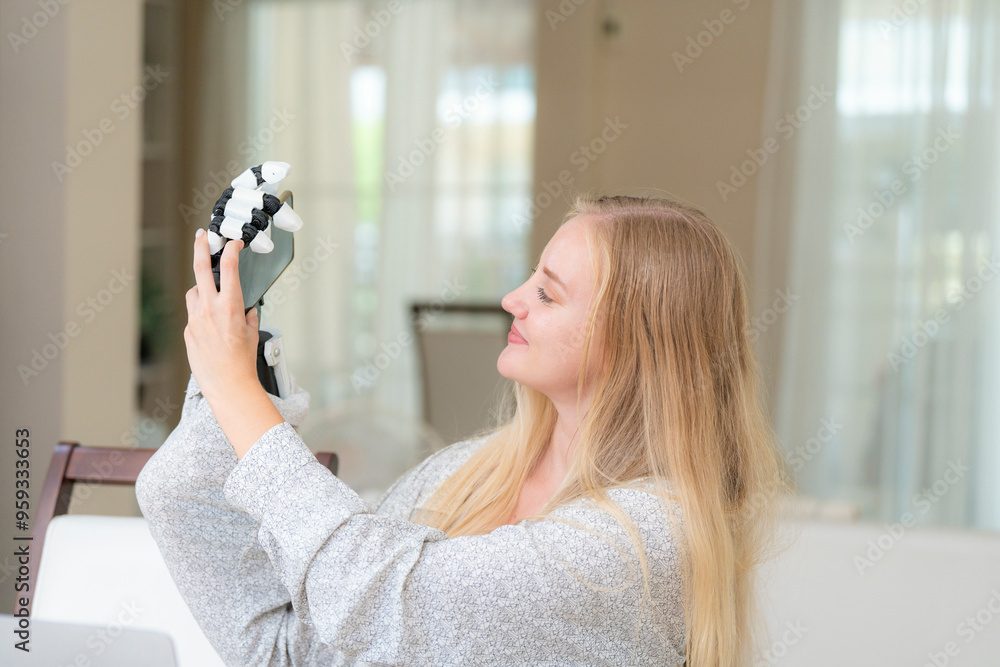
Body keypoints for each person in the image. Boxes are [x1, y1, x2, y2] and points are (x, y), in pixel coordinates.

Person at [136, 193, 786, 666]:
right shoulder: (467, 471)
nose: (513, 298)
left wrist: (236, 391)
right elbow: (303, 648)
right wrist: (241, 357)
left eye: (549, 294)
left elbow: (392, 604)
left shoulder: (645, 539)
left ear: (637, 344)